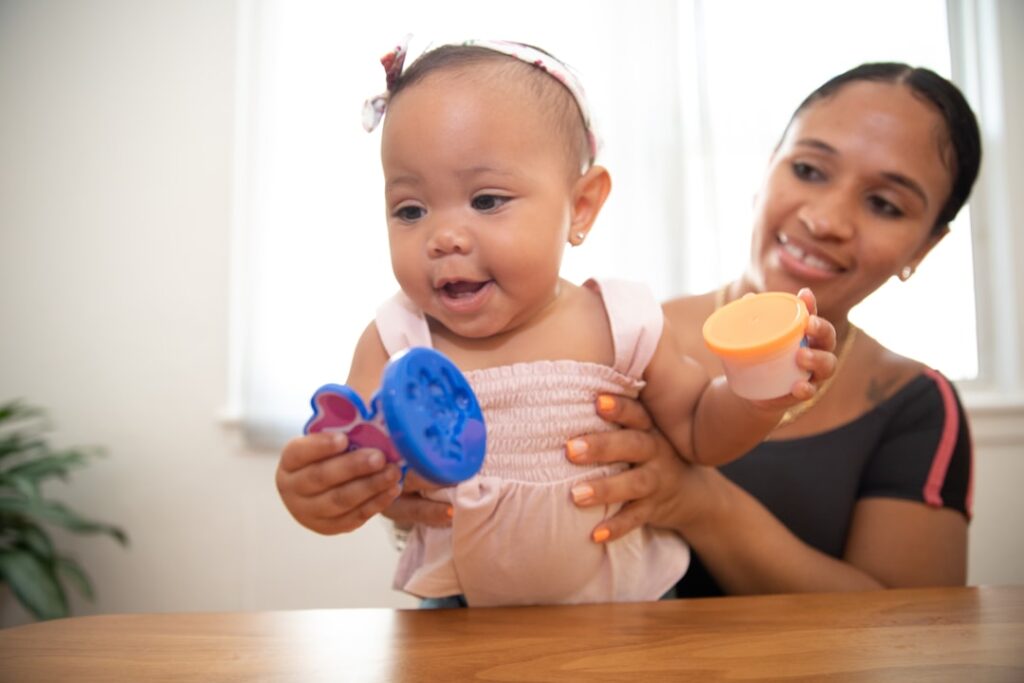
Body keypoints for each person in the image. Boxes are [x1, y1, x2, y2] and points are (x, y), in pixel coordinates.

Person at [274, 39, 837, 607]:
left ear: (581, 206)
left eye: (487, 200)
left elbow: (697, 430)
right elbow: (359, 464)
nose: (443, 237)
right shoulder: (397, 339)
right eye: (410, 209)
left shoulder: (620, 321)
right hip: (458, 617)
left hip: (630, 608)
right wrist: (319, 494)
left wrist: (757, 397)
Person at [555, 62, 981, 596]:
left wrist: (699, 501)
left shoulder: (915, 406)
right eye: (808, 170)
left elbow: (916, 626)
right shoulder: (619, 340)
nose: (825, 220)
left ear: (924, 247)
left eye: (884, 204)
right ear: (767, 168)